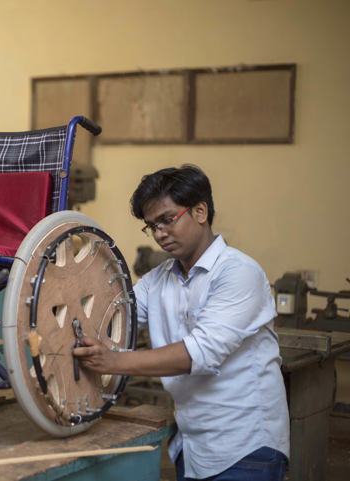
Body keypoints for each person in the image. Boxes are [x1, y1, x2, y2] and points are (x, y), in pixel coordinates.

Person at [73, 165, 289, 480]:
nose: (159, 233)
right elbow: (113, 316)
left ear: (200, 211)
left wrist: (112, 361)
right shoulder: (157, 280)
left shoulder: (239, 272)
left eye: (167, 220)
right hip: (191, 447)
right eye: (151, 226)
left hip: (246, 448)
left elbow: (199, 353)